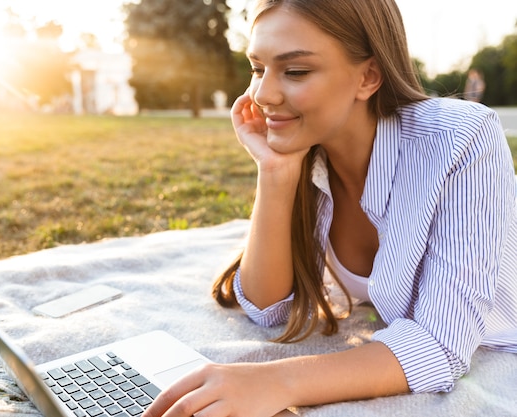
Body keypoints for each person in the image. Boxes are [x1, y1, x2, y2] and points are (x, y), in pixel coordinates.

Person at [142, 0, 517, 416]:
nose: (263, 94)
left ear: (368, 76)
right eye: (257, 68)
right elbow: (269, 308)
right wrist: (275, 171)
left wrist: (276, 380)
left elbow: (440, 346)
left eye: (296, 71)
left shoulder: (461, 138)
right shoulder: (310, 149)